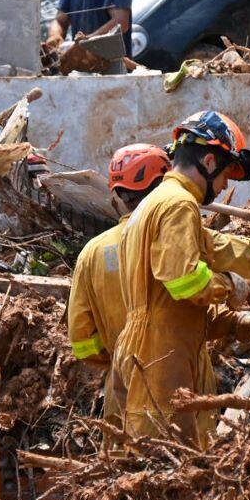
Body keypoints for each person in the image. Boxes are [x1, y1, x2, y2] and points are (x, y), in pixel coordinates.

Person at [115, 112, 250, 449]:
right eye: (226, 174)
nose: (225, 186)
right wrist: (230, 287)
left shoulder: (155, 204)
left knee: (155, 457)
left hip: (147, 347)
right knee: (167, 463)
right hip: (162, 357)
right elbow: (184, 279)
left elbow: (227, 250)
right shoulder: (178, 206)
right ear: (207, 161)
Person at [66, 142, 170, 422]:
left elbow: (81, 339)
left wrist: (116, 357)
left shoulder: (93, 252)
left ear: (118, 195)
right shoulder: (172, 238)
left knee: (121, 463)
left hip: (120, 383)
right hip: (174, 383)